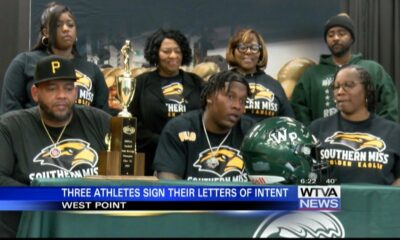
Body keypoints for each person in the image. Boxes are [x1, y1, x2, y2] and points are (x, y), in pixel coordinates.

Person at [0, 56, 111, 237]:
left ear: (75, 93)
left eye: (68, 89)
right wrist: (52, 201)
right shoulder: (10, 127)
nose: (61, 95)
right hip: (30, 230)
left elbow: (126, 178)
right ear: (35, 94)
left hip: (89, 229)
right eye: (52, 89)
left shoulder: (101, 122)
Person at [0, 3, 109, 114]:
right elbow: (9, 113)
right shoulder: (24, 63)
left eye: (70, 24)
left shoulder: (92, 70)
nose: (66, 29)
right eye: (58, 25)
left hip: (83, 130)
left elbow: (103, 117)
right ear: (46, 32)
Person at [291, 13, 399, 126]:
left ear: (351, 38)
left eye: (341, 33)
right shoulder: (311, 75)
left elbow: (389, 107)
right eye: (331, 35)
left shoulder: (373, 69)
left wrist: (381, 134)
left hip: (368, 140)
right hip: (323, 140)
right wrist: (312, 136)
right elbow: (298, 111)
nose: (336, 38)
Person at [153, 70, 255, 181]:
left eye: (243, 101)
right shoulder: (178, 129)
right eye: (230, 97)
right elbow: (168, 184)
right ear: (209, 96)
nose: (237, 106)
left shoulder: (251, 131)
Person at [128, 29, 204, 176]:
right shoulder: (140, 83)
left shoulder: (197, 83)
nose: (173, 56)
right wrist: (164, 141)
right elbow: (132, 123)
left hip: (192, 158)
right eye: (166, 51)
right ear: (155, 53)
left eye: (177, 51)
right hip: (151, 159)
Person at [309, 65, 400, 185]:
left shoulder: (393, 132)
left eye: (349, 85)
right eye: (336, 87)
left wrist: (387, 198)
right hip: (331, 203)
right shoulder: (317, 128)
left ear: (367, 90)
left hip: (376, 203)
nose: (340, 92)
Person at [225, 28, 294, 122]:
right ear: (233, 50)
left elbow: (289, 122)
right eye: (242, 47)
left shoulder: (274, 85)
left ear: (260, 53)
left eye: (254, 48)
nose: (248, 51)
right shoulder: (222, 81)